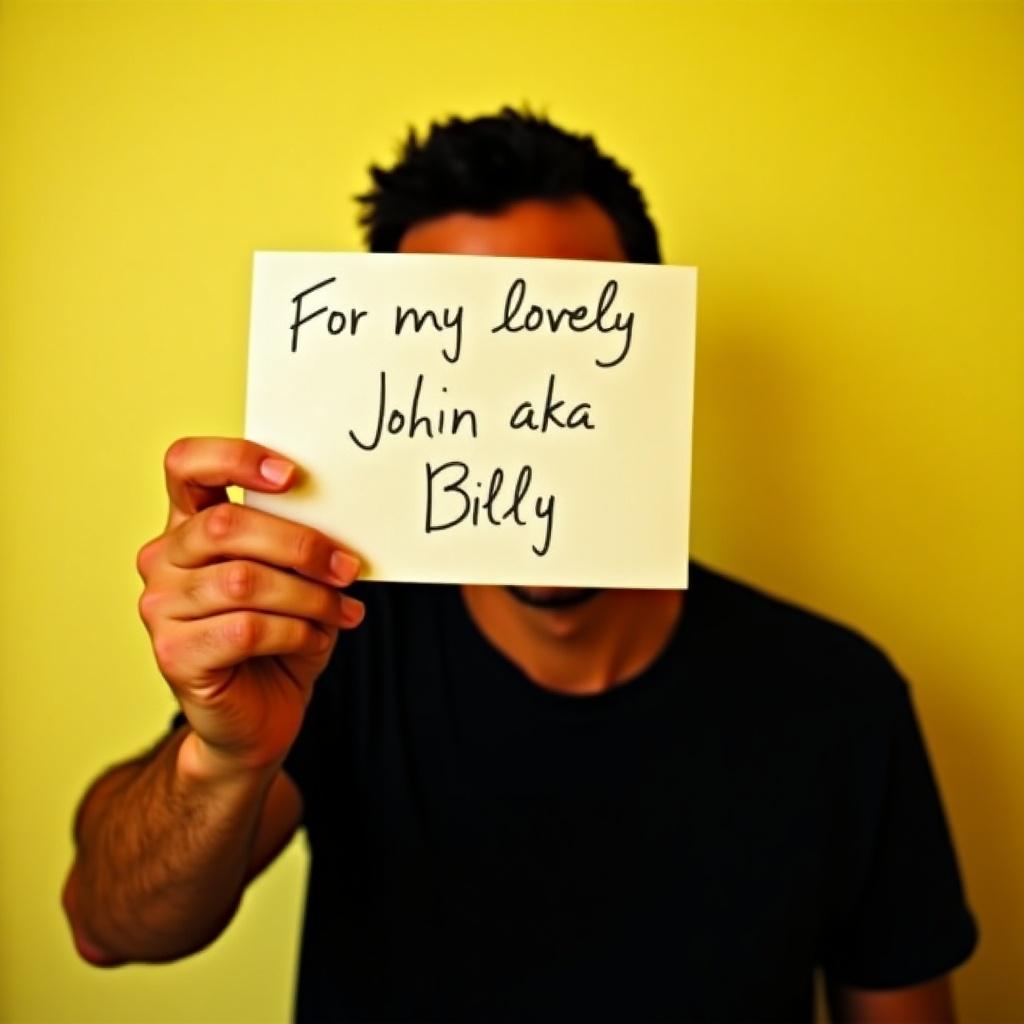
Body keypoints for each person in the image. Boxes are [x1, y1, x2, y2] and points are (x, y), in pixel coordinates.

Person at [62, 108, 977, 1023]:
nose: (522, 406)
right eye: (458, 348)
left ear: (655, 354)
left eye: (570, 332)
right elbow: (108, 926)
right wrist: (223, 759)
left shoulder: (839, 699)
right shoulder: (331, 646)